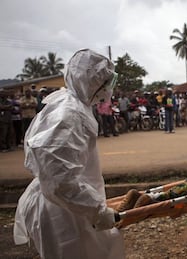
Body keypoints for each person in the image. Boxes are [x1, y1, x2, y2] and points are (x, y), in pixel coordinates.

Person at [13, 49, 125, 258]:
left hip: (71, 205)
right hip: (63, 211)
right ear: (91, 82)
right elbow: (60, 180)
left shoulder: (74, 105)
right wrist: (96, 211)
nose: (108, 89)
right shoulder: (70, 116)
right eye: (105, 82)